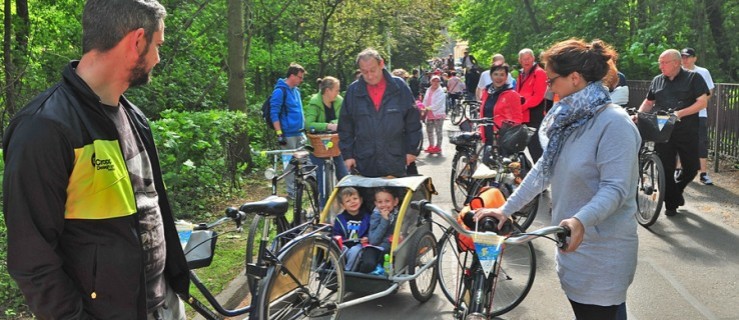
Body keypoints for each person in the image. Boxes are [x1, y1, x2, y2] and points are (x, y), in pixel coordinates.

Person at [2, 1, 189, 319]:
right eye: (157, 46)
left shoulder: (135, 118)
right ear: (136, 41)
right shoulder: (43, 127)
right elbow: (31, 257)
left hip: (163, 305)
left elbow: (145, 210)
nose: (158, 59)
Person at [474, 39, 640, 320]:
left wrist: (579, 220)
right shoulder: (568, 118)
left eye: (552, 80)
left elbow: (615, 188)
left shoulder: (613, 123)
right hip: (573, 245)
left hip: (602, 251)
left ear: (574, 78)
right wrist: (505, 210)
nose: (549, 87)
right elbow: (543, 170)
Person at [637, 49, 710, 216]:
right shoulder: (657, 81)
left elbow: (702, 103)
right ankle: (671, 204)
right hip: (663, 131)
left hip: (687, 130)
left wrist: (679, 113)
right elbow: (648, 102)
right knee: (666, 168)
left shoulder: (694, 78)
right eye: (659, 62)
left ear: (676, 63)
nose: (660, 66)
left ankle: (675, 193)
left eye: (664, 62)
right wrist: (639, 115)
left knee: (691, 168)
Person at [338, 48, 422, 177]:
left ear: (381, 64)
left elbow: (413, 121)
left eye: (372, 70)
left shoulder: (399, 87)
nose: (370, 76)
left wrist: (412, 151)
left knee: (398, 197)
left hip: (397, 159)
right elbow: (345, 127)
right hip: (365, 161)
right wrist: (348, 155)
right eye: (364, 72)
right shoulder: (353, 91)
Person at [304, 76, 349, 206]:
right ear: (328, 90)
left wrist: (334, 123)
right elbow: (309, 124)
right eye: (336, 90)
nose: (338, 93)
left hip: (335, 144)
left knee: (344, 174)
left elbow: (345, 118)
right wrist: (328, 126)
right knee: (321, 176)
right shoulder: (314, 102)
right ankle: (323, 207)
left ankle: (349, 203)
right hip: (318, 146)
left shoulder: (339, 101)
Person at [677, 47, 715, 185]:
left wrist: (697, 103)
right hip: (682, 113)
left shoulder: (703, 72)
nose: (685, 59)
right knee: (680, 140)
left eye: (687, 57)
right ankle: (679, 169)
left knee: (701, 142)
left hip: (699, 113)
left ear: (694, 58)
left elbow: (710, 91)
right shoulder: (678, 72)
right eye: (683, 57)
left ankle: (703, 173)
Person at [271, 63, 306, 198]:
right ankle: (292, 193)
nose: (301, 80)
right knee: (289, 165)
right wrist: (279, 133)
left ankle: (302, 187)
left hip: (300, 133)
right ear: (292, 76)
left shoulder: (296, 91)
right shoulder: (280, 91)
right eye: (299, 77)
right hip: (287, 135)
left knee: (304, 161)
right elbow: (274, 113)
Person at [479, 63, 524, 149]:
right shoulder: (486, 92)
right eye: (495, 74)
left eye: (502, 75)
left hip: (503, 138)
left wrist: (509, 135)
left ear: (506, 77)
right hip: (487, 135)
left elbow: (518, 118)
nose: (498, 78)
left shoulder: (512, 94)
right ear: (491, 76)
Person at [516, 48, 548, 163]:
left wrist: (521, 108)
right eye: (524, 59)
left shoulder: (539, 73)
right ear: (520, 60)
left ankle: (543, 176)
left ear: (533, 58)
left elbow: (538, 97)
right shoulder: (521, 73)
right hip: (523, 116)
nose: (526, 61)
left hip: (534, 115)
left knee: (536, 149)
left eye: (528, 58)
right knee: (529, 148)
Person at [360, 188, 400, 274]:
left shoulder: (398, 215)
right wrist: (385, 220)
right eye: (380, 202)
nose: (383, 205)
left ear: (395, 202)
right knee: (368, 264)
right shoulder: (376, 215)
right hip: (375, 247)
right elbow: (374, 240)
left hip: (391, 248)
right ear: (375, 203)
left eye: (387, 201)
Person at [332, 187, 371, 271]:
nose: (352, 202)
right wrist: (340, 241)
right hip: (344, 243)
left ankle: (348, 271)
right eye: (348, 201)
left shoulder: (367, 217)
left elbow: (371, 231)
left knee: (354, 251)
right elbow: (336, 233)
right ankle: (337, 271)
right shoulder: (339, 219)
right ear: (343, 205)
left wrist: (367, 237)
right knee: (338, 249)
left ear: (360, 200)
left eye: (355, 199)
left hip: (359, 244)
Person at [423, 75, 447, 154]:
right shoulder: (428, 90)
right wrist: (423, 108)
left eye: (437, 81)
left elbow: (438, 104)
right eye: (434, 81)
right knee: (429, 131)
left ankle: (438, 147)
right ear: (431, 82)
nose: (435, 83)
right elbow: (425, 100)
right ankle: (431, 145)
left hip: (438, 114)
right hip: (429, 114)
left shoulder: (441, 91)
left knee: (438, 131)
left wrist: (428, 108)